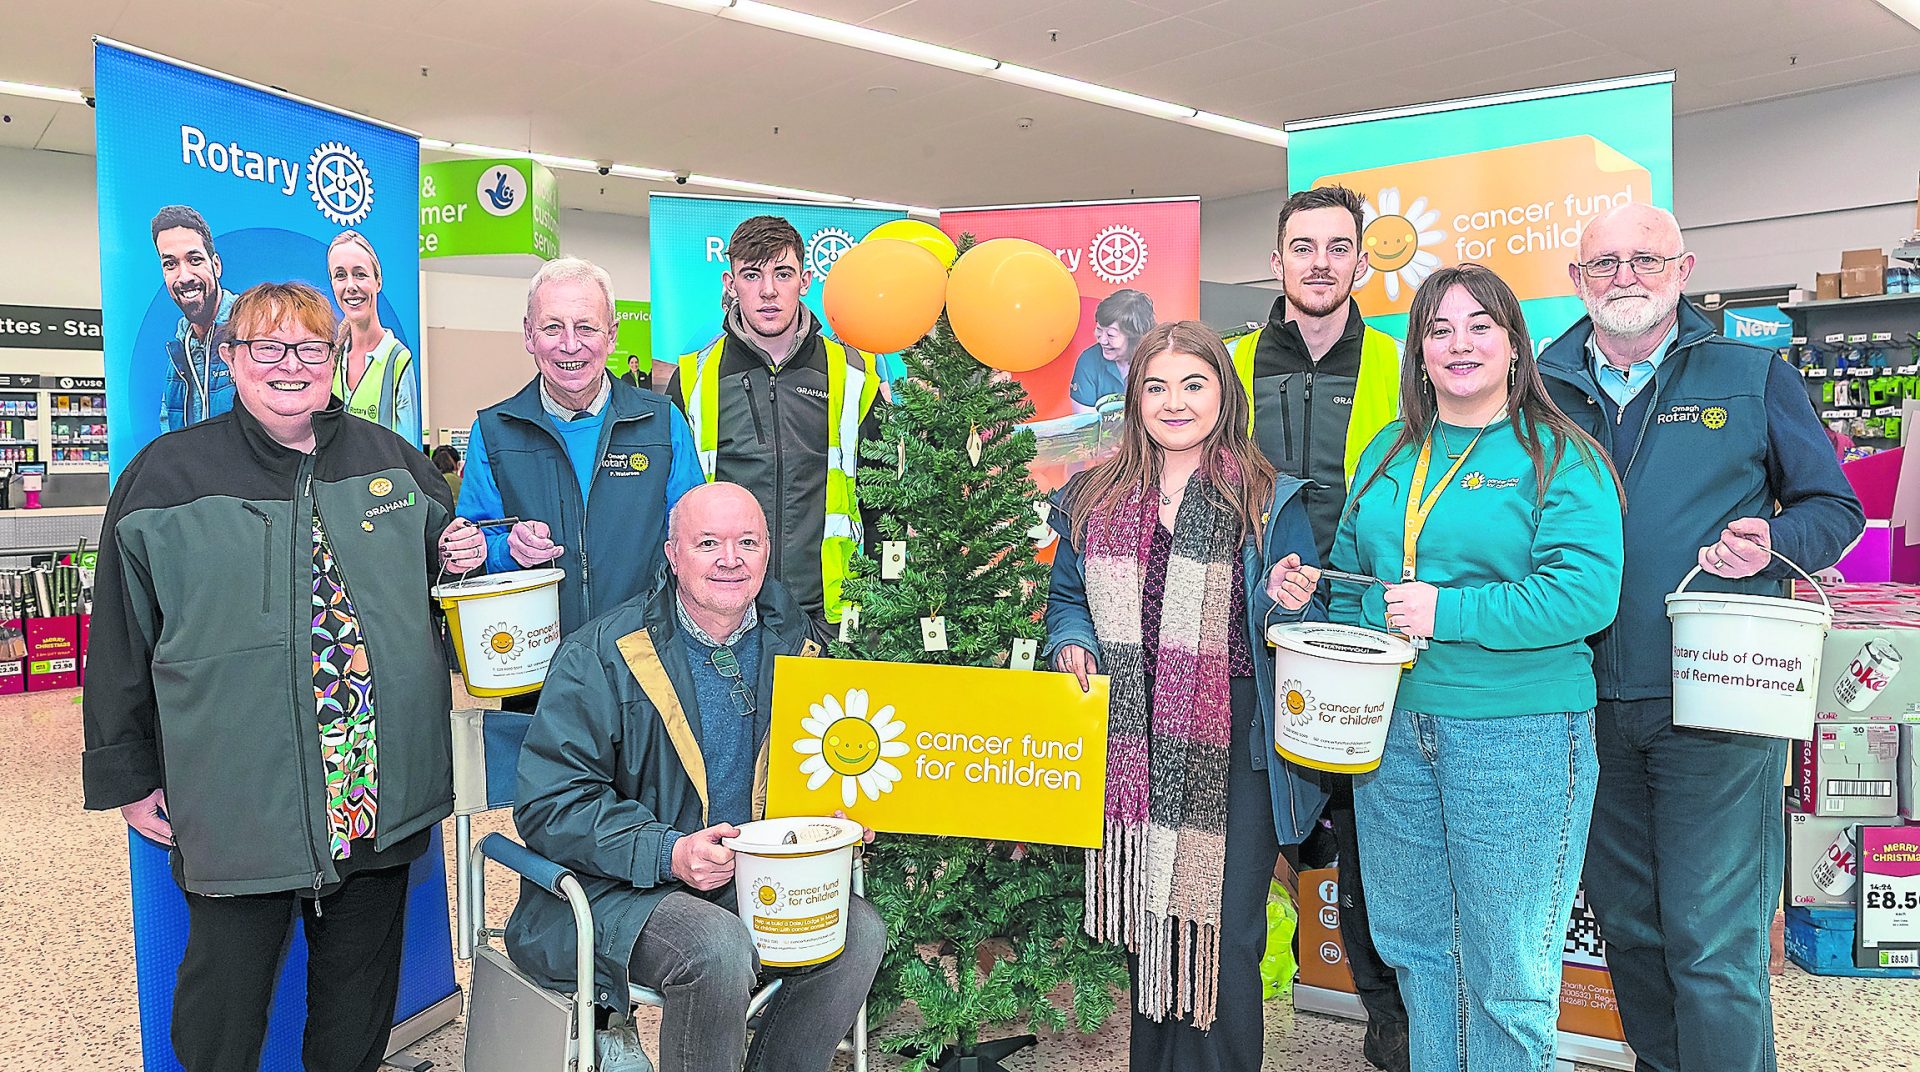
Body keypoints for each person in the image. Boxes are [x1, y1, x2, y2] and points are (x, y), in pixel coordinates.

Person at [82, 281, 484, 1072]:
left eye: (310, 347)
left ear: (335, 358)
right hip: (237, 791)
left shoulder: (392, 462)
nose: (290, 364)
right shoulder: (166, 477)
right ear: (229, 359)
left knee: (358, 999)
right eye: (267, 347)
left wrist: (463, 557)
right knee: (223, 1005)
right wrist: (127, 772)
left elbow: (445, 589)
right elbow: (121, 641)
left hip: (376, 788)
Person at [1539, 204, 1864, 1072]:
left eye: (1646, 260)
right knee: (1632, 933)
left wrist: (1775, 544)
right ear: (1577, 281)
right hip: (1583, 701)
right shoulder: (1540, 383)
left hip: (1717, 698)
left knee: (1712, 944)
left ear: (1683, 270)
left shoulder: (1750, 372)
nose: (1625, 278)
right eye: (1603, 263)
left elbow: (1836, 509)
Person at [1277, 264, 1622, 1072]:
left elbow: (1584, 597)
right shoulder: (1390, 451)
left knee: (1507, 965)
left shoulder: (1560, 456)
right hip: (1395, 734)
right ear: (1419, 353)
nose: (1459, 344)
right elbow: (1362, 578)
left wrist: (1449, 612)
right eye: (1439, 330)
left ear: (1513, 346)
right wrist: (1310, 591)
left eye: (1479, 326)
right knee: (1417, 948)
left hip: (1520, 733)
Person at [507, 481, 883, 1072]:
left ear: (767, 553)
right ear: (672, 554)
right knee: (714, 947)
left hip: (748, 872)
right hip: (620, 883)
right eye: (708, 542)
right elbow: (549, 805)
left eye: (747, 543)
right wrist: (669, 852)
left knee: (856, 931)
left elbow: (833, 766)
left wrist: (835, 821)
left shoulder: (807, 648)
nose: (730, 560)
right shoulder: (602, 654)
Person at [1045, 321, 1328, 1072]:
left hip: (1232, 741)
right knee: (1151, 930)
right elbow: (1067, 595)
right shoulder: (1093, 495)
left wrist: (1288, 600)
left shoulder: (1269, 498)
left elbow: (1305, 619)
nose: (1175, 402)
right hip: (1130, 737)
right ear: (1135, 398)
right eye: (1157, 386)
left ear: (1222, 395)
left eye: (1193, 384)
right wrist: (1069, 638)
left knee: (1224, 935)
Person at [1228, 183, 1407, 1069]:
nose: (1321, 263)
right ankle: (1233, 1024)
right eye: (1305, 247)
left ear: (1361, 261)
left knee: (1375, 847)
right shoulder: (1224, 363)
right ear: (1278, 261)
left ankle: (1392, 1036)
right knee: (1250, 840)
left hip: (1371, 638)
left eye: (1339, 247)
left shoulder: (1404, 363)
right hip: (1252, 637)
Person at [457, 257, 704, 709]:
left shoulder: (663, 424)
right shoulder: (494, 432)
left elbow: (692, 538)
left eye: (586, 328)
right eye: (553, 328)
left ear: (611, 336)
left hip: (647, 668)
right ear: (528, 334)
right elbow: (473, 549)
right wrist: (507, 548)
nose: (570, 345)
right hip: (537, 675)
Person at [668, 215, 884, 635]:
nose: (768, 291)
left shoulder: (854, 375)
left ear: (804, 280)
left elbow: (882, 502)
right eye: (752, 275)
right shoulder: (693, 379)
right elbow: (673, 505)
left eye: (782, 274)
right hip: (724, 613)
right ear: (731, 283)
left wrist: (881, 599)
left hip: (831, 615)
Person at [327, 231, 420, 446]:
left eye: (359, 274)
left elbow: (409, 452)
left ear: (378, 282)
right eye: (340, 275)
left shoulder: (398, 360)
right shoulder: (331, 358)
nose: (350, 285)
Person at [152, 205, 237, 432]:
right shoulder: (181, 346)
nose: (184, 276)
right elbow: (169, 426)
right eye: (170, 264)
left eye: (194, 259)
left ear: (216, 265)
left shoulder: (251, 330)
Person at [1068, 288, 1155, 409]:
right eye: (1099, 330)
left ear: (1134, 338)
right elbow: (1084, 421)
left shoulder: (1157, 360)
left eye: (1111, 335)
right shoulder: (1089, 360)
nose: (1102, 340)